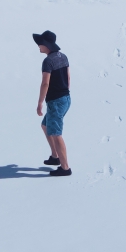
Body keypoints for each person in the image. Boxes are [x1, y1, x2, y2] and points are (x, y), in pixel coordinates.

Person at [33, 30, 72, 176]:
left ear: (47, 45)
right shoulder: (63, 56)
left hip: (56, 101)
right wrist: (64, 94)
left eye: (40, 44)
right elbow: (68, 78)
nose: (38, 46)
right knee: (45, 125)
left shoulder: (48, 61)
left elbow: (45, 84)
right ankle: (55, 157)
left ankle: (65, 168)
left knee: (56, 133)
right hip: (65, 99)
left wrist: (40, 103)